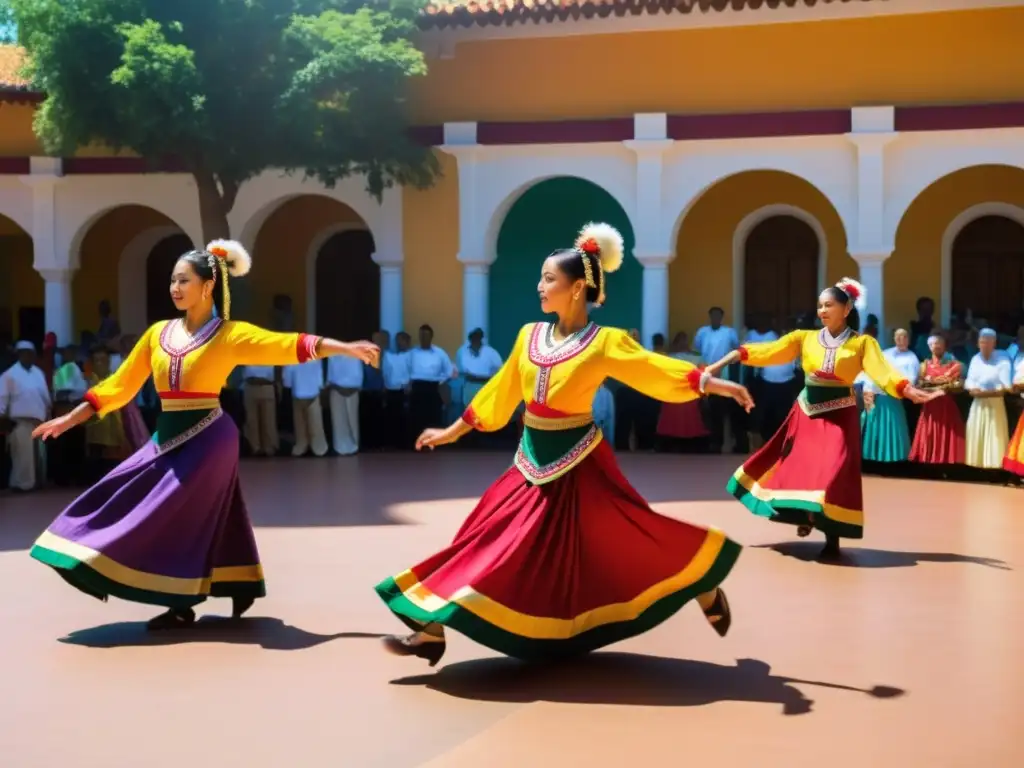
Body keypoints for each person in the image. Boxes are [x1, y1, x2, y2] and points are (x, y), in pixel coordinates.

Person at [375, 222, 753, 666]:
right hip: (530, 458)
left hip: (580, 463)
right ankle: (433, 627)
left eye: (548, 279)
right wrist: (453, 431)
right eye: (541, 277)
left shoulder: (606, 342)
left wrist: (713, 384)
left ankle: (702, 582)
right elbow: (501, 389)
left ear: (576, 290)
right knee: (485, 534)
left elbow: (654, 369)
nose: (540, 286)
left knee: (626, 538)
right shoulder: (529, 335)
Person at [28, 240, 379, 630]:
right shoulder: (157, 334)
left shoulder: (229, 334)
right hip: (166, 437)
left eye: (184, 280)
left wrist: (345, 347)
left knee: (173, 512)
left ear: (208, 286)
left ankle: (178, 599)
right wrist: (68, 420)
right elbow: (119, 385)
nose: (175, 288)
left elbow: (286, 345)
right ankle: (218, 580)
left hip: (209, 437)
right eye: (172, 280)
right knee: (123, 491)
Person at [707, 279, 940, 559]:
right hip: (807, 412)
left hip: (841, 414)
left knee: (835, 469)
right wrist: (730, 358)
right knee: (801, 468)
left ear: (846, 308)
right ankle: (805, 517)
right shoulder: (803, 338)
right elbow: (769, 351)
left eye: (829, 304)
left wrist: (907, 389)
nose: (822, 310)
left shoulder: (862, 343)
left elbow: (883, 371)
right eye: (820, 305)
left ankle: (832, 538)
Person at [859, 328, 919, 463]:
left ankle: (895, 461)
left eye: (904, 336)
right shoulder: (886, 354)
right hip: (879, 396)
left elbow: (911, 379)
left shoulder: (912, 358)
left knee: (894, 429)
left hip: (895, 398)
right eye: (898, 336)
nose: (900, 339)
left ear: (908, 339)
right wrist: (870, 390)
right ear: (893, 338)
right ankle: (875, 459)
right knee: (876, 429)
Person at [0, 340, 51, 492]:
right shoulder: (9, 375)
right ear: (19, 355)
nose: (28, 356)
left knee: (39, 457)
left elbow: (45, 396)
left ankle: (37, 483)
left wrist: (48, 412)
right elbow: (2, 397)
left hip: (39, 422)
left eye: (30, 354)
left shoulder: (38, 373)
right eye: (24, 353)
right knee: (22, 456)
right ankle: (20, 485)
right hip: (19, 421)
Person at [909, 334, 965, 465]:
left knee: (947, 434)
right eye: (934, 343)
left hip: (946, 406)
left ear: (944, 345)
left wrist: (933, 383)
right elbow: (919, 384)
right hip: (930, 406)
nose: (937, 346)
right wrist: (940, 384)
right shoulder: (924, 366)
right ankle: (930, 465)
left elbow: (955, 383)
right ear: (929, 347)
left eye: (940, 343)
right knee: (929, 435)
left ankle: (948, 465)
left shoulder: (954, 365)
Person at [963, 328, 1011, 470]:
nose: (984, 345)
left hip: (995, 403)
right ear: (978, 343)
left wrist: (992, 391)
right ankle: (977, 468)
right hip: (978, 403)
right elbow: (969, 381)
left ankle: (995, 469)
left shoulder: (1002, 358)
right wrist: (972, 389)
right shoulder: (975, 359)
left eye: (988, 342)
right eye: (982, 342)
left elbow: (1005, 384)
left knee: (994, 435)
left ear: (994, 343)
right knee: (977, 434)